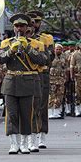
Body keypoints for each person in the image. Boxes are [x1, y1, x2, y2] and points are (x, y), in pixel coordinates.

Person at [0, 13, 47, 154]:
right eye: (17, 26)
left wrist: (28, 48)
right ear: (13, 27)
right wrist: (11, 50)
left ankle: (25, 143)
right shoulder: (6, 43)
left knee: (27, 114)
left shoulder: (36, 44)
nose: (19, 28)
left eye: (22, 26)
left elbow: (43, 61)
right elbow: (0, 60)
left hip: (28, 81)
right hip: (11, 81)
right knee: (11, 114)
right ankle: (14, 144)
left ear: (27, 27)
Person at [28, 11, 54, 148]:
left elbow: (49, 57)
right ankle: (29, 134)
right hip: (27, 74)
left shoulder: (47, 38)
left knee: (42, 105)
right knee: (28, 105)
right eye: (31, 22)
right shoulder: (22, 38)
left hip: (42, 74)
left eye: (36, 22)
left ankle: (42, 133)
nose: (33, 25)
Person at [70, 39, 81, 117]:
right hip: (77, 76)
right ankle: (77, 110)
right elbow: (72, 65)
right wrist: (71, 75)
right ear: (79, 45)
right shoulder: (75, 54)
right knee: (77, 93)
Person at [48, 43, 66, 119]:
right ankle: (50, 112)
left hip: (61, 80)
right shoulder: (50, 56)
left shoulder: (64, 57)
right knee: (51, 95)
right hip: (52, 80)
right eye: (57, 49)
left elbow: (65, 67)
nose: (58, 50)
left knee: (60, 95)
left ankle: (56, 112)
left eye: (59, 49)